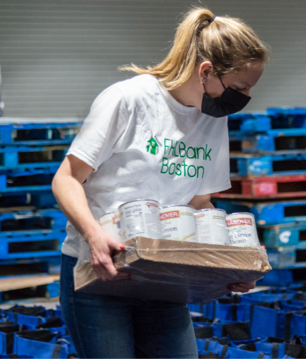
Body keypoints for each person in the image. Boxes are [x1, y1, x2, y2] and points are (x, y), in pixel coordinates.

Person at [52, 7, 269, 359]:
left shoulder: (213, 119)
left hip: (165, 275)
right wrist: (93, 236)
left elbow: (199, 205)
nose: (242, 99)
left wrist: (232, 258)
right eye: (240, 88)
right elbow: (66, 179)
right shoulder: (126, 100)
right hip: (101, 273)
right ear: (206, 71)